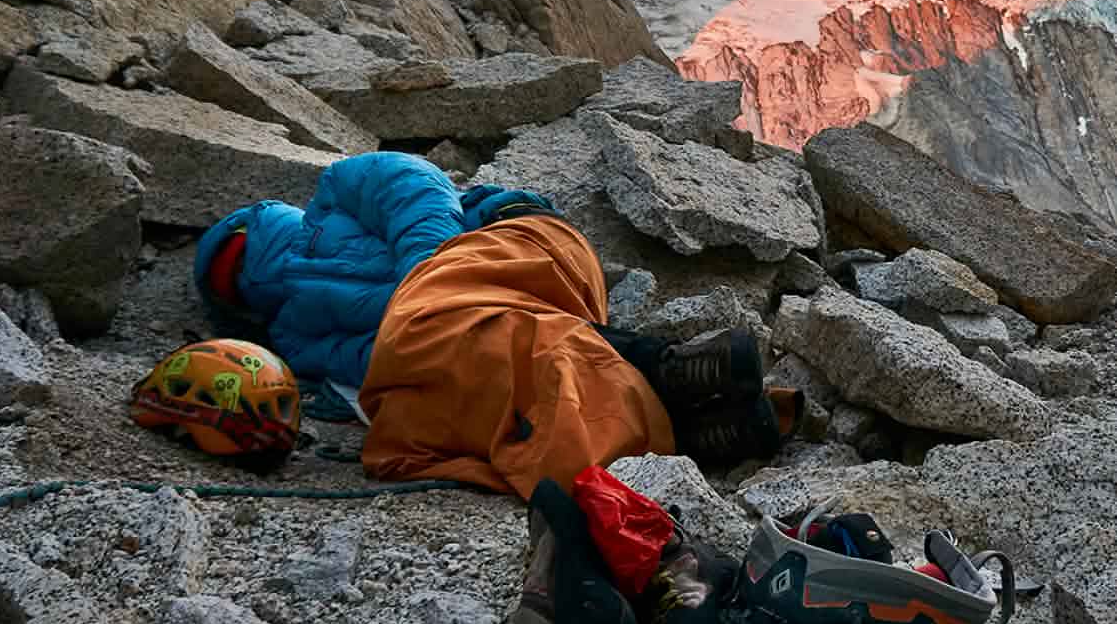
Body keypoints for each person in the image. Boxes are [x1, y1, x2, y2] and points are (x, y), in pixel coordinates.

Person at [194, 153, 796, 497]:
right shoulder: (290, 338)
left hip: (517, 245)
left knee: (467, 340)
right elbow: (383, 364)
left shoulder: (336, 191)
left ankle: (666, 377)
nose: (243, 274)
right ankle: (694, 421)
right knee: (465, 388)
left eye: (238, 260)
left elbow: (421, 191)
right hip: (495, 320)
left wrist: (422, 282)